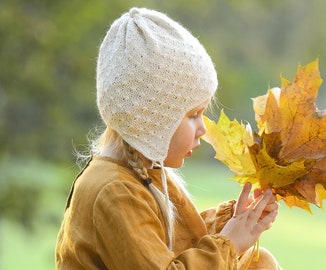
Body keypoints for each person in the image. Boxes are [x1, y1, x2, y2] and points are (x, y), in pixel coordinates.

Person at [56, 7, 281, 270]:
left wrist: (231, 222)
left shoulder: (144, 172)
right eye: (193, 115)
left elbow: (177, 241)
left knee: (258, 262)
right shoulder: (115, 192)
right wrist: (229, 243)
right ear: (152, 120)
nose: (203, 128)